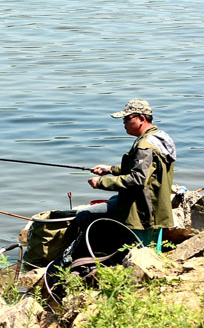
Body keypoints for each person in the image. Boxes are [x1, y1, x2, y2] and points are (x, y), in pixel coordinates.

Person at [73, 98, 176, 248]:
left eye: (127, 119)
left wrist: (101, 182)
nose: (124, 123)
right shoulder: (159, 137)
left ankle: (100, 254)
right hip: (158, 206)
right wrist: (110, 169)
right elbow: (146, 169)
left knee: (83, 216)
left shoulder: (144, 146)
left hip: (144, 211)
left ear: (141, 118)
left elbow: (137, 179)